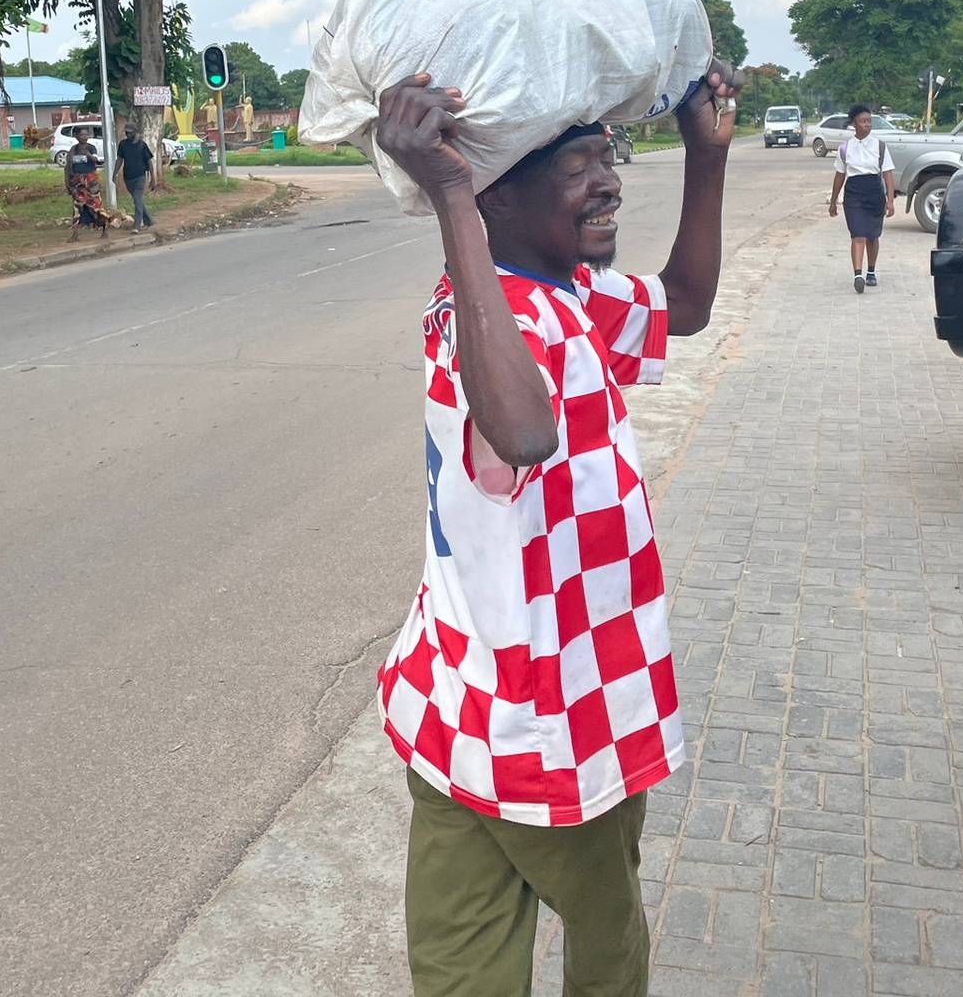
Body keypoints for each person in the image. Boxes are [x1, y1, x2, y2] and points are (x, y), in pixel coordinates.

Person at [373, 59, 742, 997]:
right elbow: (525, 429)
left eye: (606, 154)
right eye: (577, 166)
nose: (610, 178)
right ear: (498, 192)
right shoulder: (475, 318)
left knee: (465, 961)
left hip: (466, 707)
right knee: (606, 943)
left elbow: (686, 307)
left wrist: (707, 155)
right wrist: (453, 191)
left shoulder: (573, 293)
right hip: (550, 719)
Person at [828, 102, 896, 292]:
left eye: (869, 121)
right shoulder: (844, 149)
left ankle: (871, 271)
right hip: (854, 194)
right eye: (863, 121)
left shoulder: (880, 146)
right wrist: (834, 201)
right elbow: (839, 176)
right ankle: (858, 274)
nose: (867, 124)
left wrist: (889, 200)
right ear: (854, 124)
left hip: (874, 192)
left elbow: (888, 174)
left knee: (872, 236)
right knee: (858, 235)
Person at [64, 129, 108, 240]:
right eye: (81, 134)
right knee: (77, 207)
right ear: (77, 136)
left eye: (86, 134)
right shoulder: (73, 150)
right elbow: (68, 167)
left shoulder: (91, 148)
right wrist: (69, 183)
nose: (84, 137)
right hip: (77, 181)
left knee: (96, 205)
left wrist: (87, 154)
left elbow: (96, 161)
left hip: (90, 180)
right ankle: (75, 234)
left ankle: (105, 229)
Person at [115, 123, 155, 234]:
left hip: (140, 177)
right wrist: (115, 173)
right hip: (128, 177)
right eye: (126, 132)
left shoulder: (142, 145)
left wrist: (153, 179)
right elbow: (119, 160)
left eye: (130, 132)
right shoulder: (123, 144)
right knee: (138, 200)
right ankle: (149, 221)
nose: (128, 134)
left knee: (137, 200)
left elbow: (149, 162)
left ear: (135, 132)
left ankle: (137, 226)